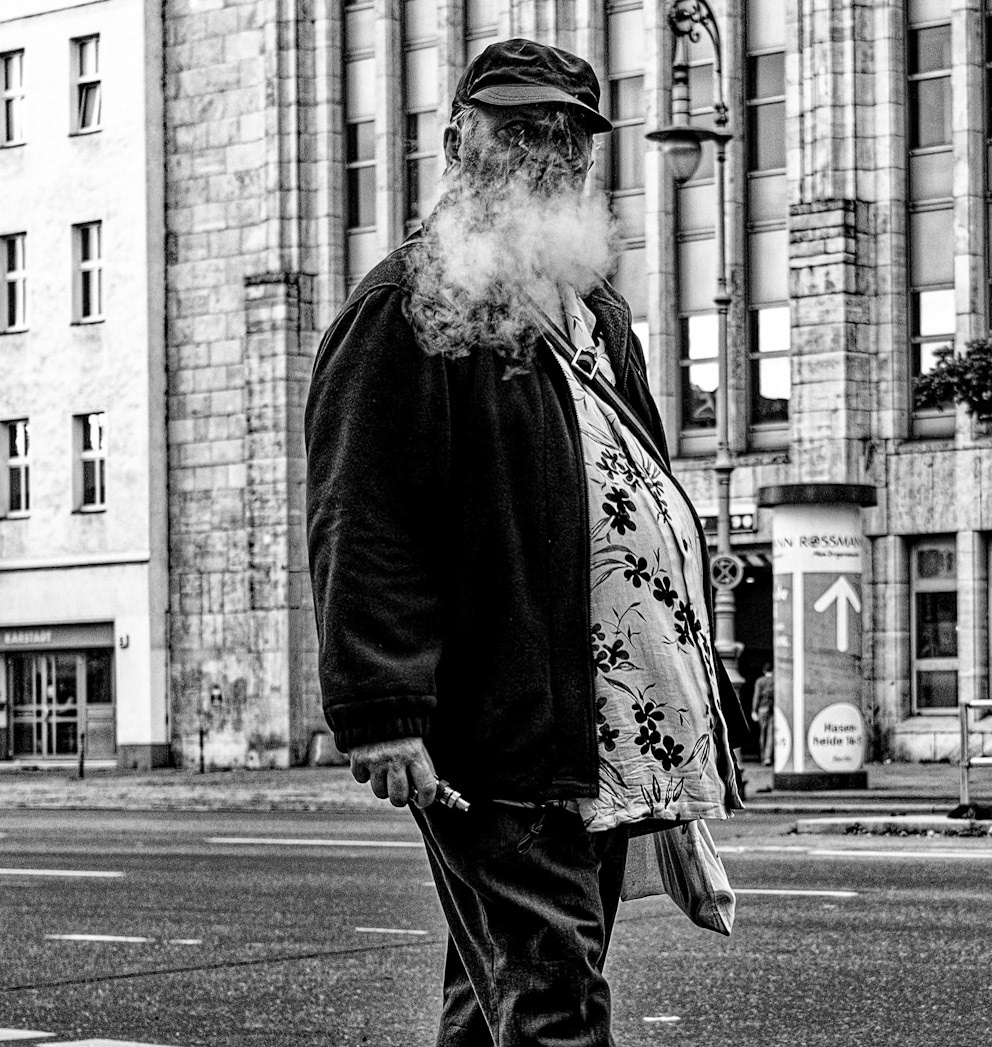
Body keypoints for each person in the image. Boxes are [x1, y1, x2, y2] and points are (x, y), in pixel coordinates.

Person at [305, 38, 747, 1047]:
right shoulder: (408, 304)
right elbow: (363, 515)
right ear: (459, 138)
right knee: (552, 986)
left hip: (593, 721)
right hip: (497, 722)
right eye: (516, 127)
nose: (542, 150)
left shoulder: (591, 311)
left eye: (564, 133)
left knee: (503, 980)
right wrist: (380, 708)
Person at [753, 662, 776, 767]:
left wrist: (754, 710)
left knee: (762, 733)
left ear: (764, 671)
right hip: (773, 709)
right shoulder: (776, 681)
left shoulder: (759, 681)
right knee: (770, 734)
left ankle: (763, 757)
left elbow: (756, 696)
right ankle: (768, 757)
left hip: (762, 709)